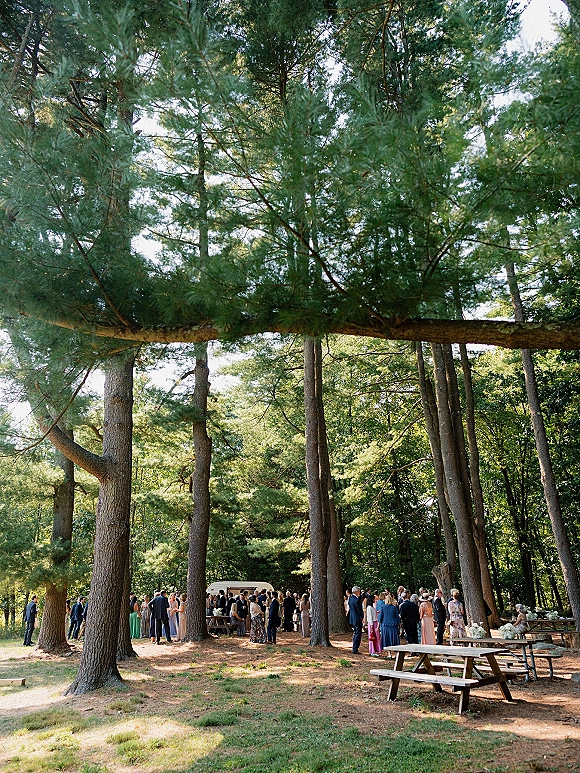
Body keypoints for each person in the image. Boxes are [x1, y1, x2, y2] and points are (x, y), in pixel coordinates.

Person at [348, 586, 364, 654]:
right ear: (357, 591)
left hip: (352, 618)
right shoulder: (356, 600)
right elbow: (359, 610)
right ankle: (355, 649)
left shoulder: (351, 598)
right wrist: (362, 616)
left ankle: (354, 648)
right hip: (357, 618)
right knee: (358, 634)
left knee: (355, 633)